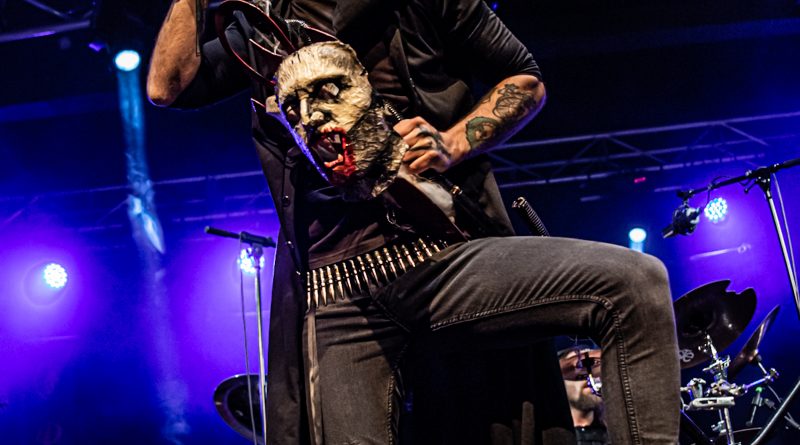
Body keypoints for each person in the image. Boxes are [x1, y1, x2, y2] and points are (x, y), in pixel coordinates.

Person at [147, 1, 681, 444]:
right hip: (337, 292)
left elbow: (525, 78)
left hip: (443, 260)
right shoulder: (259, 23)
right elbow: (167, 87)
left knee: (633, 282)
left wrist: (453, 142)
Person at [559, 344, 609, 445]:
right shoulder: (546, 436)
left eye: (595, 365)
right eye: (580, 365)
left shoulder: (615, 432)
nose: (590, 374)